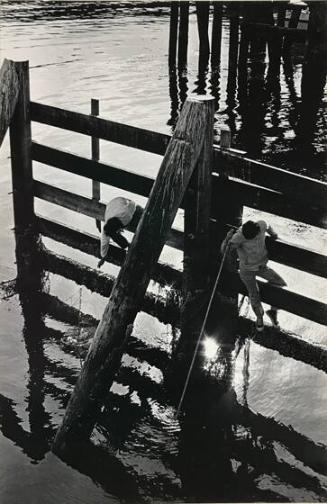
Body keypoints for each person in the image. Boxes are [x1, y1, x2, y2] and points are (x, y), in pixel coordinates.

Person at [221, 220, 286, 332]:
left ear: (258, 230)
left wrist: (273, 234)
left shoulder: (262, 224)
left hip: (261, 266)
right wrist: (227, 238)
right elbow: (224, 251)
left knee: (280, 283)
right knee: (253, 293)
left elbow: (269, 227)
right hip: (246, 271)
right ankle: (259, 318)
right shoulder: (239, 236)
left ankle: (273, 311)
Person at [98, 197, 143, 268]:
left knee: (140, 218)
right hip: (112, 206)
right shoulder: (107, 225)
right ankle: (127, 245)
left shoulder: (126, 214)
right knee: (112, 234)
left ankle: (129, 246)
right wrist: (103, 257)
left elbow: (133, 203)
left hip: (122, 202)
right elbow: (104, 241)